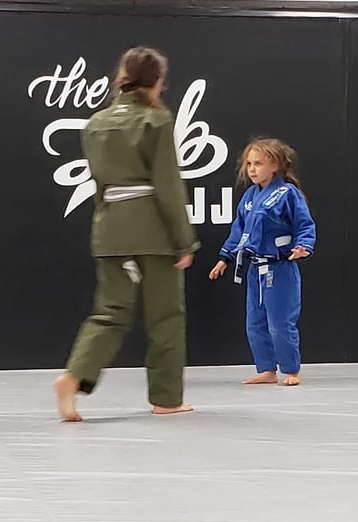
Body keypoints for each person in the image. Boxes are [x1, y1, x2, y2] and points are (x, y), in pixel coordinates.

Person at [55, 47, 199, 421]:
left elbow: (99, 185)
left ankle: (74, 376)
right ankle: (167, 398)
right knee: (165, 317)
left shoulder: (96, 123)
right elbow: (168, 186)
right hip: (153, 232)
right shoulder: (157, 121)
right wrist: (184, 241)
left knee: (110, 312)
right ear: (156, 82)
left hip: (110, 230)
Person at [209, 138, 316, 386]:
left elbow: (304, 224)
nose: (252, 169)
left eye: (258, 163)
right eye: (249, 164)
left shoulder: (288, 193)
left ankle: (291, 369)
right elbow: (239, 230)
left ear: (275, 166)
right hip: (255, 269)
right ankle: (267, 369)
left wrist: (303, 246)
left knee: (280, 322)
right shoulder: (249, 196)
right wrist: (225, 258)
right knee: (255, 323)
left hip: (280, 268)